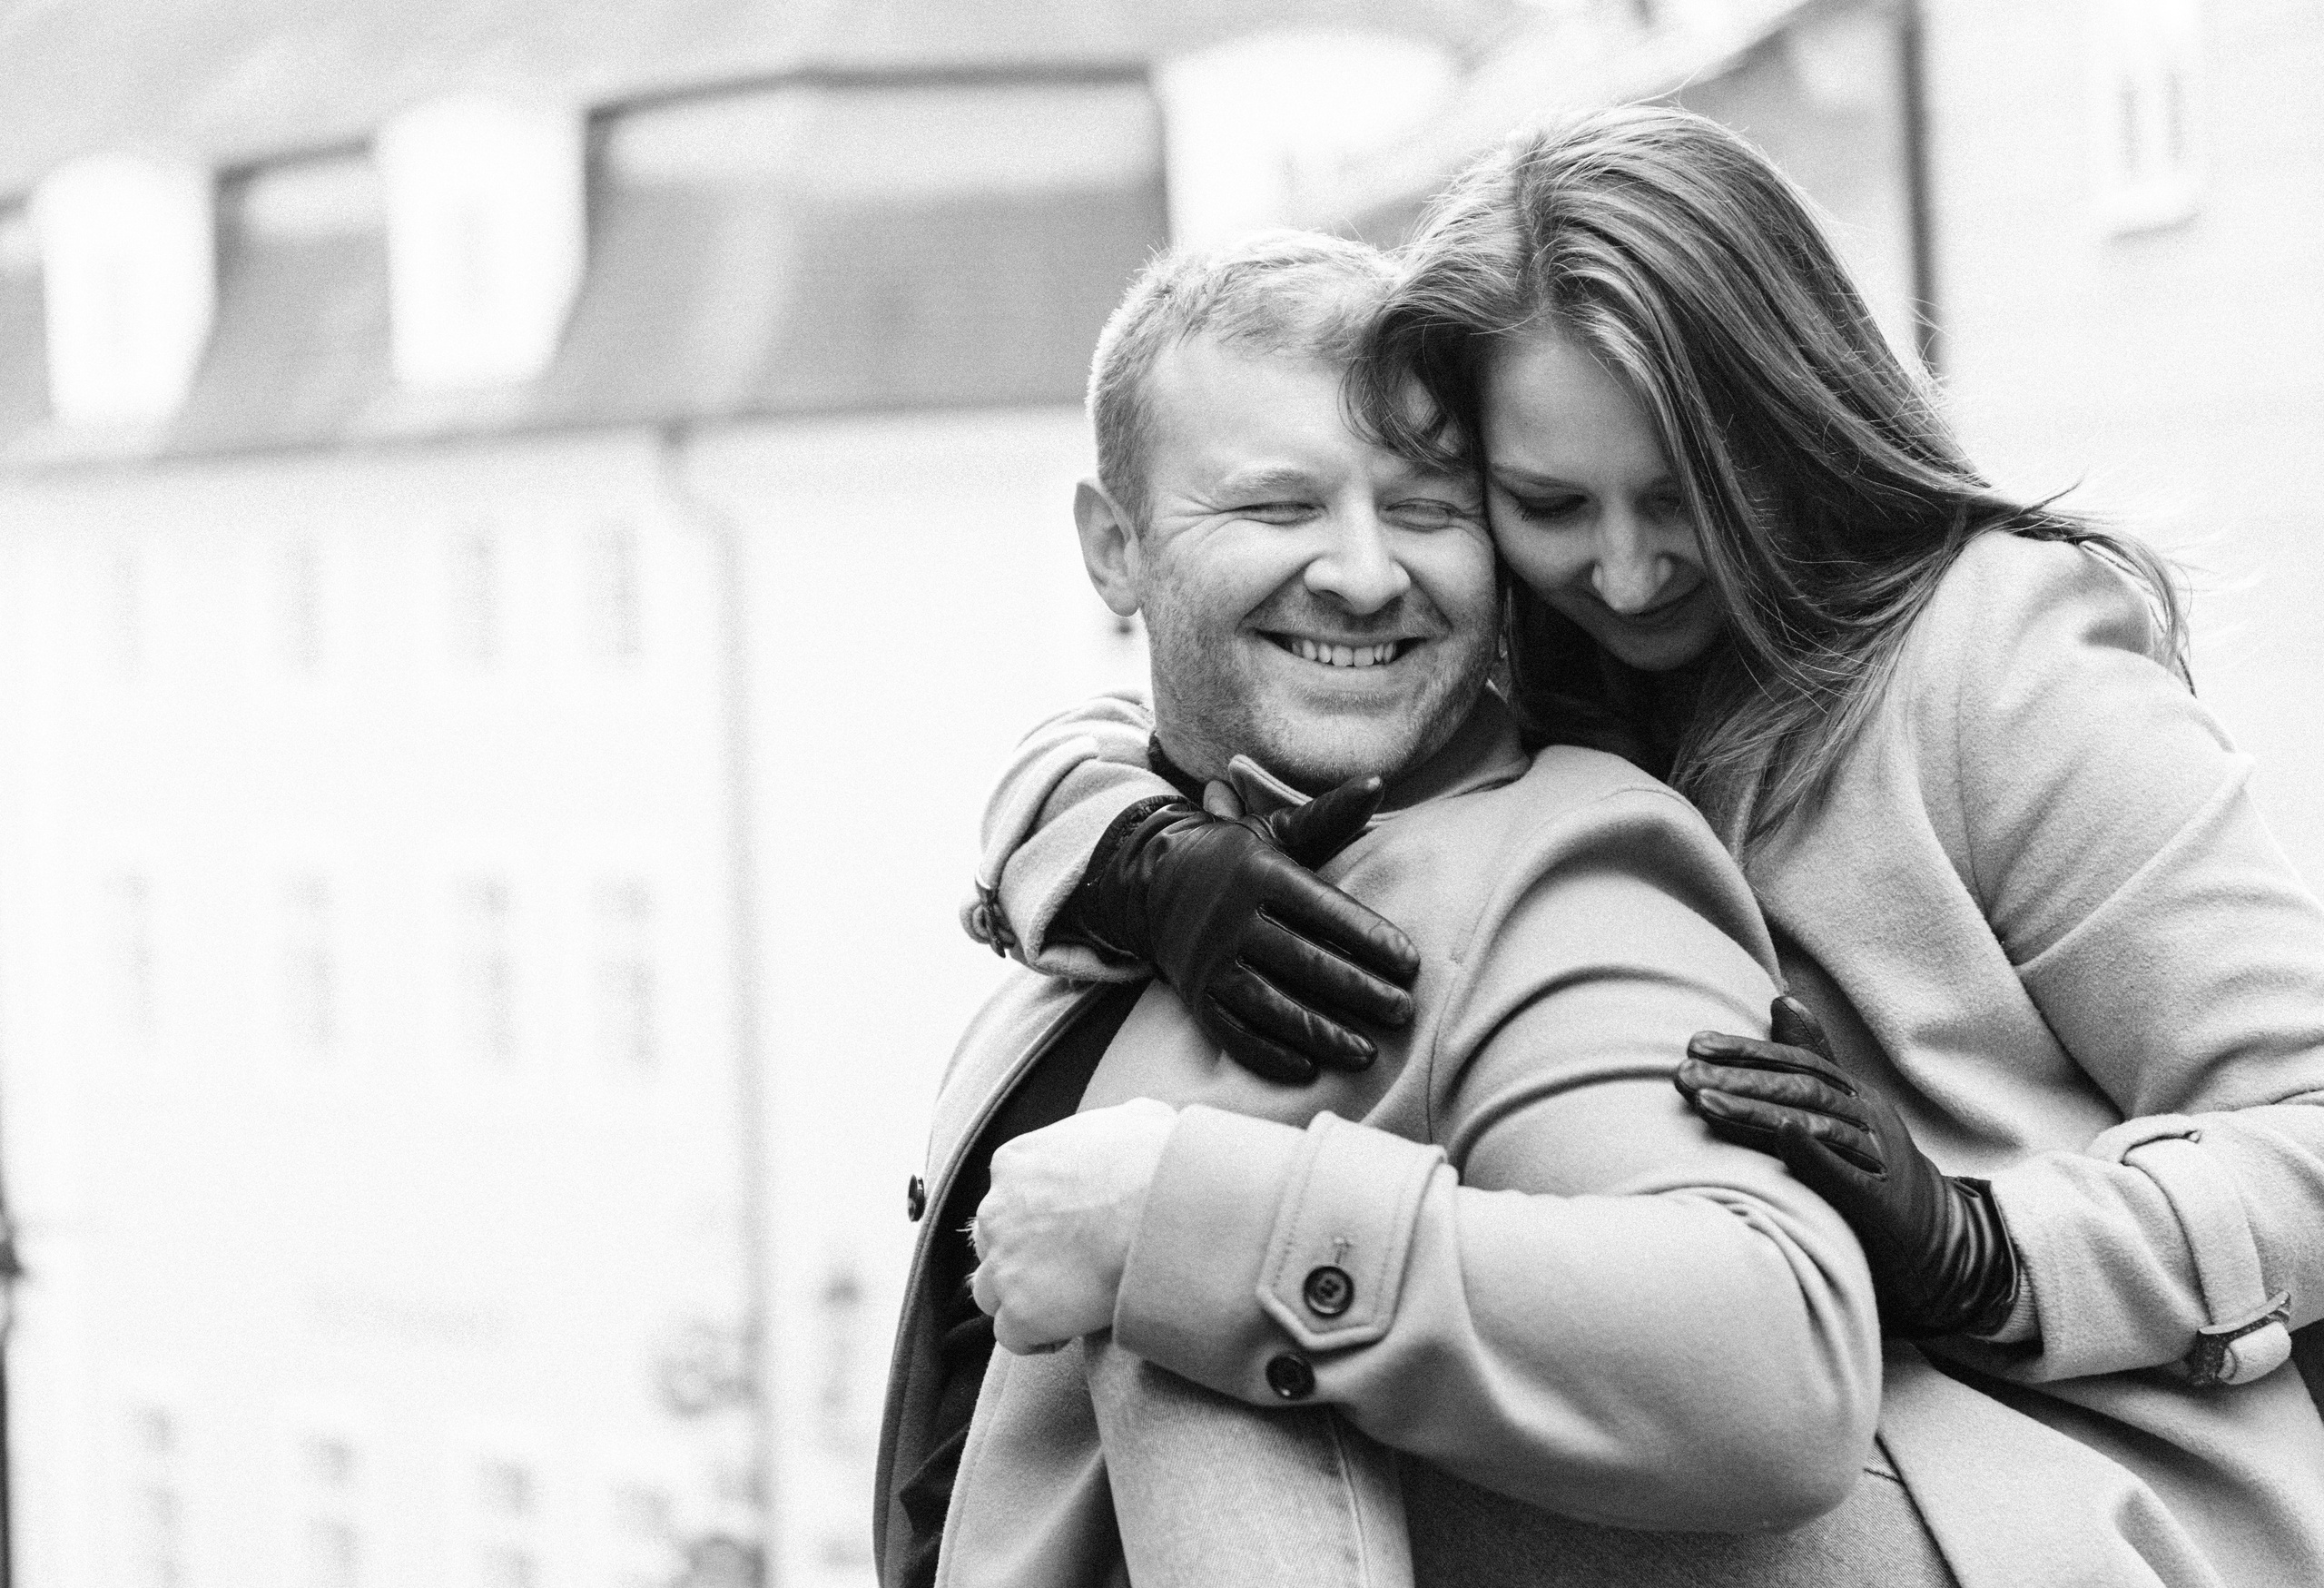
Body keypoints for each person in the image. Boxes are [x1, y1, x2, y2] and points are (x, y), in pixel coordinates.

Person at [966, 106, 2324, 1587]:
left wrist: (1985, 1246)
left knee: (1220, 1262)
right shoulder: (1521, 647)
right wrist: (1135, 852)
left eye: (1682, 497)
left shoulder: (1998, 661)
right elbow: (1153, 716)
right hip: (1764, 1459)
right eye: (1549, 503)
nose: (1622, 569)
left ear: (1796, 428)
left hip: (2067, 1492)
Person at [872, 231, 1911, 1588]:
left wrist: (1193, 1224)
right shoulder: (1122, 851)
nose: (1365, 575)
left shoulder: (1564, 872)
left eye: (1425, 509)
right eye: (1278, 507)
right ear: (1113, 548)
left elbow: (1777, 1365)